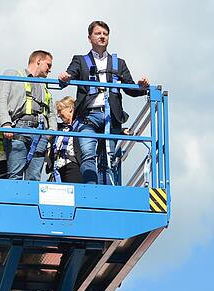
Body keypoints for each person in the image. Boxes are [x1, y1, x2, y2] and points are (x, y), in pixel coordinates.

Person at [57, 20, 150, 186]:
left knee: (108, 158)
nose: (102, 37)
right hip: (88, 116)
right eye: (98, 33)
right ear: (89, 38)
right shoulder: (80, 60)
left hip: (110, 117)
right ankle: (91, 191)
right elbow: (69, 76)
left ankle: (105, 191)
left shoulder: (119, 63)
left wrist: (142, 87)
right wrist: (65, 78)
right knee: (87, 154)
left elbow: (130, 88)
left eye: (105, 34)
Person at [0, 50, 58, 181]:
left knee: (34, 177)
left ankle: (31, 201)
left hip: (40, 133)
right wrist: (6, 124)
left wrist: (51, 132)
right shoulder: (12, 74)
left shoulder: (43, 86)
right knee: (15, 175)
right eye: (48, 65)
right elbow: (1, 100)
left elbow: (51, 111)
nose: (49, 70)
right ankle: (16, 201)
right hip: (19, 129)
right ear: (38, 61)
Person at [48, 96, 82, 183]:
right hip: (57, 168)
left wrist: (120, 130)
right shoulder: (58, 128)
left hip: (73, 166)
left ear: (70, 108)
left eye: (60, 110)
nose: (58, 115)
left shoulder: (81, 126)